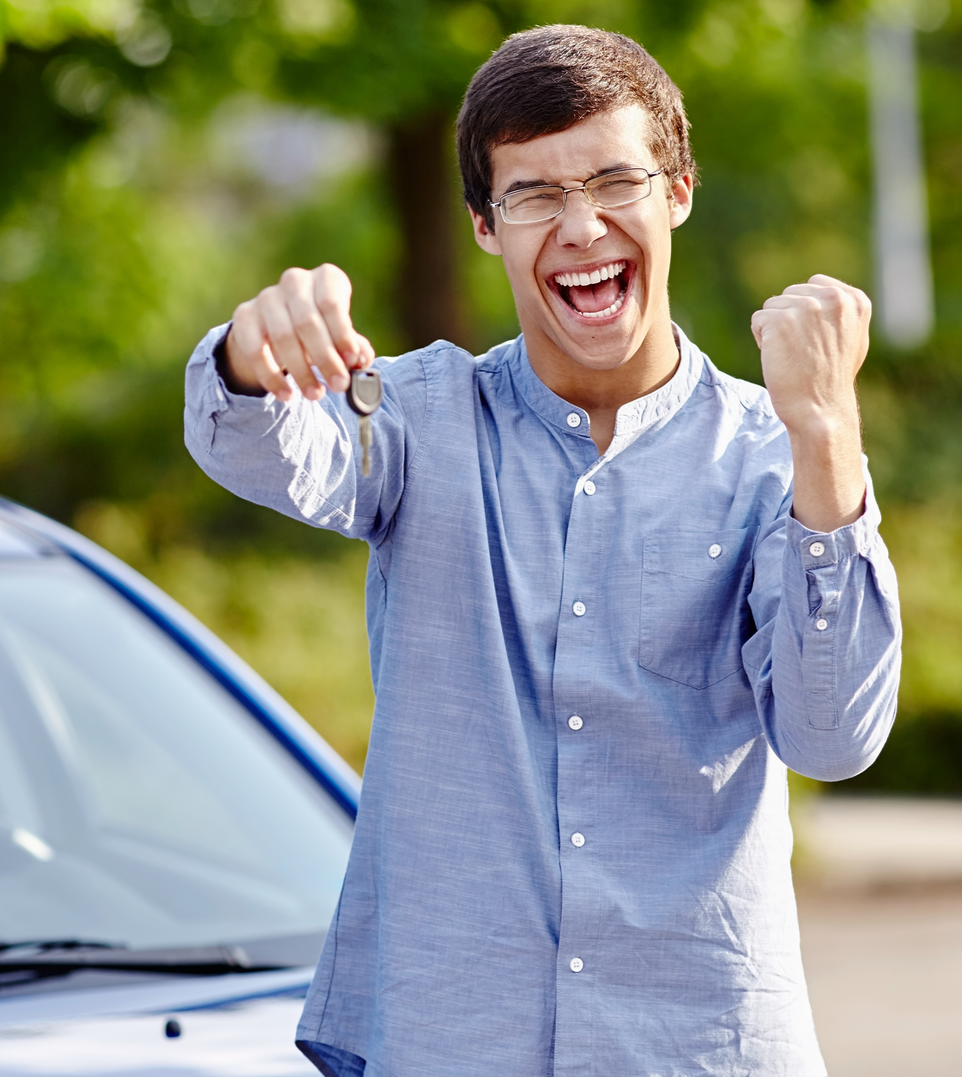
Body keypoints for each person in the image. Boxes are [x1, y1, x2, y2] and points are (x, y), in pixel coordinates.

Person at [183, 24, 901, 1077]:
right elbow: (262, 448)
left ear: (678, 191)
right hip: (448, 1039)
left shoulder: (773, 457)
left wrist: (827, 437)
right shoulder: (418, 421)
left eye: (615, 181)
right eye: (532, 195)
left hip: (695, 1044)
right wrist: (250, 358)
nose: (580, 226)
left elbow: (832, 738)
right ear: (483, 225)